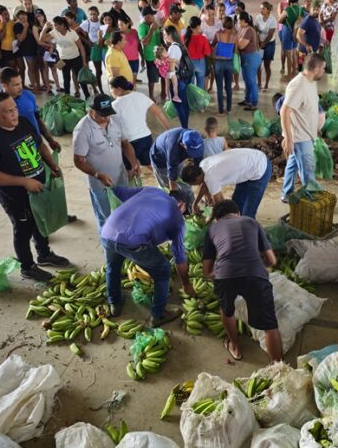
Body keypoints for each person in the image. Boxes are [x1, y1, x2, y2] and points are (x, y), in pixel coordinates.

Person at [0, 92, 70, 282]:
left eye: (15, 109)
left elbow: (39, 145)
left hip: (38, 188)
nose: (14, 114)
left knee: (39, 221)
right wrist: (24, 181)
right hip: (14, 195)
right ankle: (28, 267)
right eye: (8, 111)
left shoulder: (24, 123)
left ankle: (44, 254)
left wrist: (51, 164)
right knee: (23, 229)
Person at [202, 200, 282, 361]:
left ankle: (236, 348)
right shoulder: (251, 222)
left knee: (227, 310)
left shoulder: (212, 229)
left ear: (217, 219)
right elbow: (272, 261)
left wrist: (219, 274)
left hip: (225, 276)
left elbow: (207, 271)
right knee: (270, 326)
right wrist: (258, 267)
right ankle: (279, 367)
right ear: (237, 213)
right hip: (255, 274)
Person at [100, 186, 195, 321]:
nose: (183, 215)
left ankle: (114, 303)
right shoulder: (177, 218)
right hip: (132, 241)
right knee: (163, 270)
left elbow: (121, 192)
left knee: (112, 267)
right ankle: (158, 315)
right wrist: (186, 285)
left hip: (107, 231)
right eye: (185, 212)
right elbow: (179, 255)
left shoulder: (152, 190)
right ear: (182, 205)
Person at [73, 94, 139, 232]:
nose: (107, 118)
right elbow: (78, 161)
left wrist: (134, 164)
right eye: (103, 115)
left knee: (123, 211)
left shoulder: (114, 119)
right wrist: (98, 175)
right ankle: (108, 247)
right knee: (106, 217)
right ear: (91, 111)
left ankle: (122, 239)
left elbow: (125, 143)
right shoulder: (82, 130)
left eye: (108, 113)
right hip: (100, 184)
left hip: (121, 177)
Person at [280, 53, 327, 202]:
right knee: (308, 171)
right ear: (316, 68)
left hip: (307, 134)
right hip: (300, 137)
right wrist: (288, 138)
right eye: (323, 68)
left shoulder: (311, 81)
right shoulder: (298, 85)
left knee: (293, 164)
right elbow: (285, 111)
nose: (324, 72)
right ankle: (309, 202)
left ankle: (287, 193)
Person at [182, 148, 272, 219]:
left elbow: (221, 204)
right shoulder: (203, 165)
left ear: (197, 178)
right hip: (249, 163)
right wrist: (195, 203)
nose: (195, 186)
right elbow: (205, 184)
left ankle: (249, 236)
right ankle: (237, 226)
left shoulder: (211, 176)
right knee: (236, 204)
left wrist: (210, 218)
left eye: (193, 184)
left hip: (260, 168)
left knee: (247, 213)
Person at [110, 75, 170, 169]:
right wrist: (168, 130)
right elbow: (158, 112)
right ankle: (163, 182)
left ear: (118, 89)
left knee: (130, 169)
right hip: (146, 137)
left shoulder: (115, 105)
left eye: (111, 88)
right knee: (151, 165)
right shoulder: (141, 96)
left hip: (129, 142)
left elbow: (112, 127)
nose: (111, 91)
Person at [150, 127, 204, 210]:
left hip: (178, 156)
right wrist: (175, 196)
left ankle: (190, 208)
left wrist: (203, 191)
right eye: (191, 152)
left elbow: (199, 165)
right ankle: (172, 210)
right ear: (183, 145)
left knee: (185, 186)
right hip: (160, 158)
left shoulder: (196, 139)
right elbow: (172, 176)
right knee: (166, 186)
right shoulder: (173, 149)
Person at [39, 16, 90, 99]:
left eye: (56, 25)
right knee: (66, 80)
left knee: (80, 79)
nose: (55, 27)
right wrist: (44, 28)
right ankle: (67, 98)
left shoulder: (72, 33)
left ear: (63, 25)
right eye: (54, 25)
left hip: (75, 58)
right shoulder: (54, 32)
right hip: (64, 59)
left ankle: (87, 97)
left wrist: (84, 62)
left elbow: (81, 47)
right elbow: (41, 39)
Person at [163, 25, 191, 127]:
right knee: (184, 105)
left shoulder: (173, 48)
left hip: (177, 80)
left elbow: (171, 68)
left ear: (170, 35)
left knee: (179, 106)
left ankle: (184, 128)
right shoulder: (180, 45)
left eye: (165, 35)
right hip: (183, 79)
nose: (164, 37)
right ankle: (185, 127)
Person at [236, 11, 261, 111]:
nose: (237, 22)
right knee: (247, 80)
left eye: (238, 20)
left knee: (251, 81)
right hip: (246, 57)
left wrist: (234, 41)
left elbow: (241, 45)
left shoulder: (249, 30)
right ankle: (247, 99)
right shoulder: (244, 29)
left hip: (250, 58)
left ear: (243, 20)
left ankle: (254, 103)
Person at [139, 6, 165, 101]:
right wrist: (151, 30)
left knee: (163, 74)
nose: (153, 16)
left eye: (153, 14)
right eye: (151, 14)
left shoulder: (155, 24)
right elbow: (144, 42)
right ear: (145, 16)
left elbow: (160, 39)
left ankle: (163, 92)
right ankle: (151, 96)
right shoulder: (142, 26)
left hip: (160, 55)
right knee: (152, 77)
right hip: (150, 56)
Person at [279, 0, 304, 80]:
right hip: (295, 33)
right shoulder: (300, 9)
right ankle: (294, 72)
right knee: (294, 53)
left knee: (288, 54)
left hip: (287, 32)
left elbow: (279, 20)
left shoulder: (288, 9)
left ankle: (289, 75)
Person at [255, 1, 277, 92]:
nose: (261, 10)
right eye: (261, 8)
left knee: (267, 65)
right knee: (258, 64)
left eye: (263, 9)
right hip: (259, 42)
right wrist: (259, 41)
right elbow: (255, 29)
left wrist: (264, 43)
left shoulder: (272, 20)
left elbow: (270, 34)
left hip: (269, 43)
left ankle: (266, 84)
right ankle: (259, 83)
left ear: (268, 10)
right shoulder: (258, 17)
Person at [185, 16, 211, 89]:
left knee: (191, 86)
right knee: (200, 85)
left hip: (189, 63)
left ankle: (191, 100)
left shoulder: (185, 37)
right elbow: (207, 53)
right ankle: (199, 100)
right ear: (198, 26)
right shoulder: (203, 38)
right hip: (201, 63)